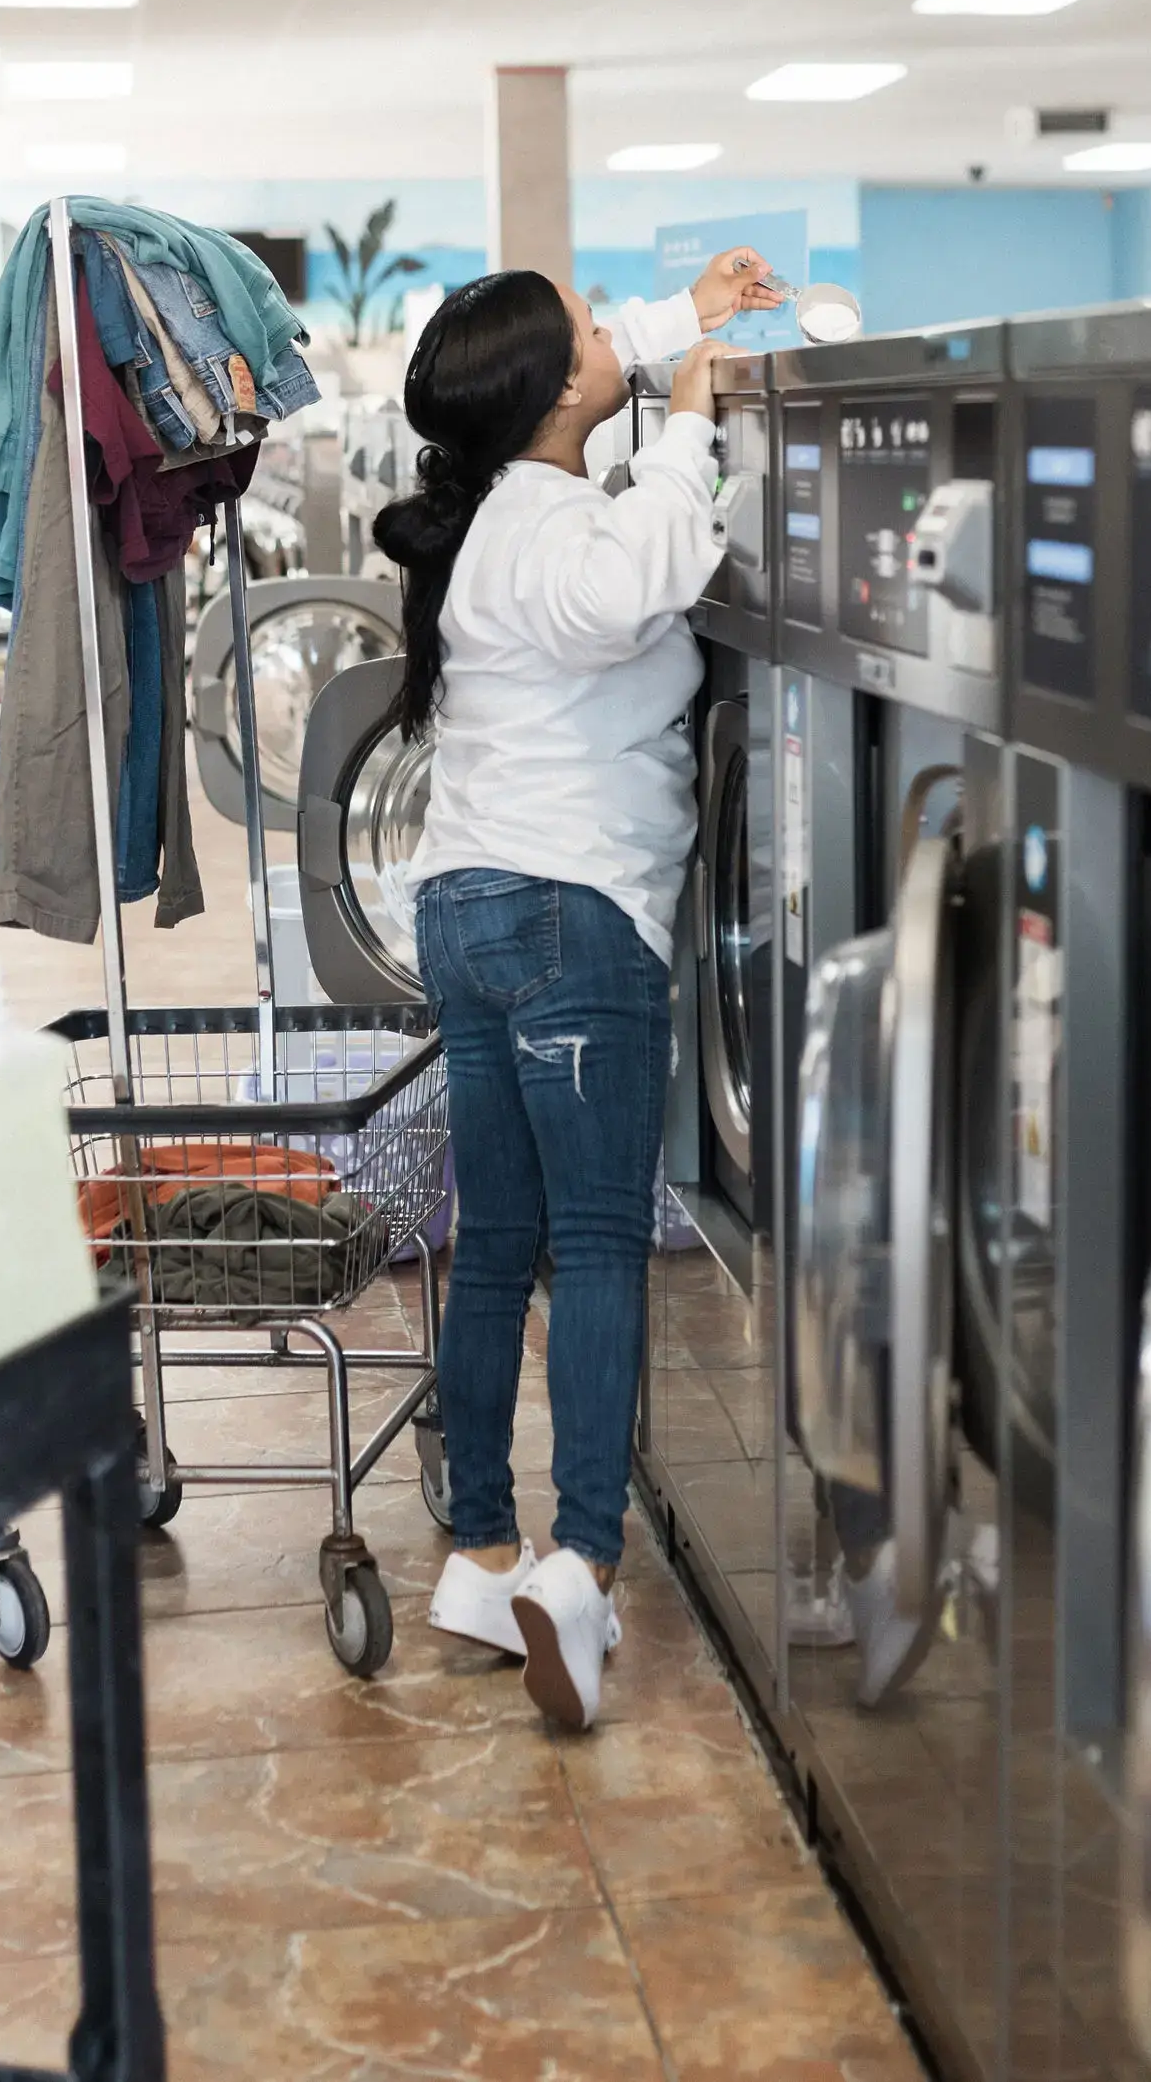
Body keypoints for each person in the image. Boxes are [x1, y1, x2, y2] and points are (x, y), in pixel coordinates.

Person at [378, 245, 781, 1728]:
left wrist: (698, 319)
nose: (615, 333)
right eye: (593, 331)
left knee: (498, 1242)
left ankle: (485, 1551)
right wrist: (688, 418)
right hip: (573, 914)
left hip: (468, 905)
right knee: (602, 1244)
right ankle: (586, 1571)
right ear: (558, 396)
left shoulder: (495, 509)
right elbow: (636, 584)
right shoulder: (560, 530)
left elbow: (577, 367)